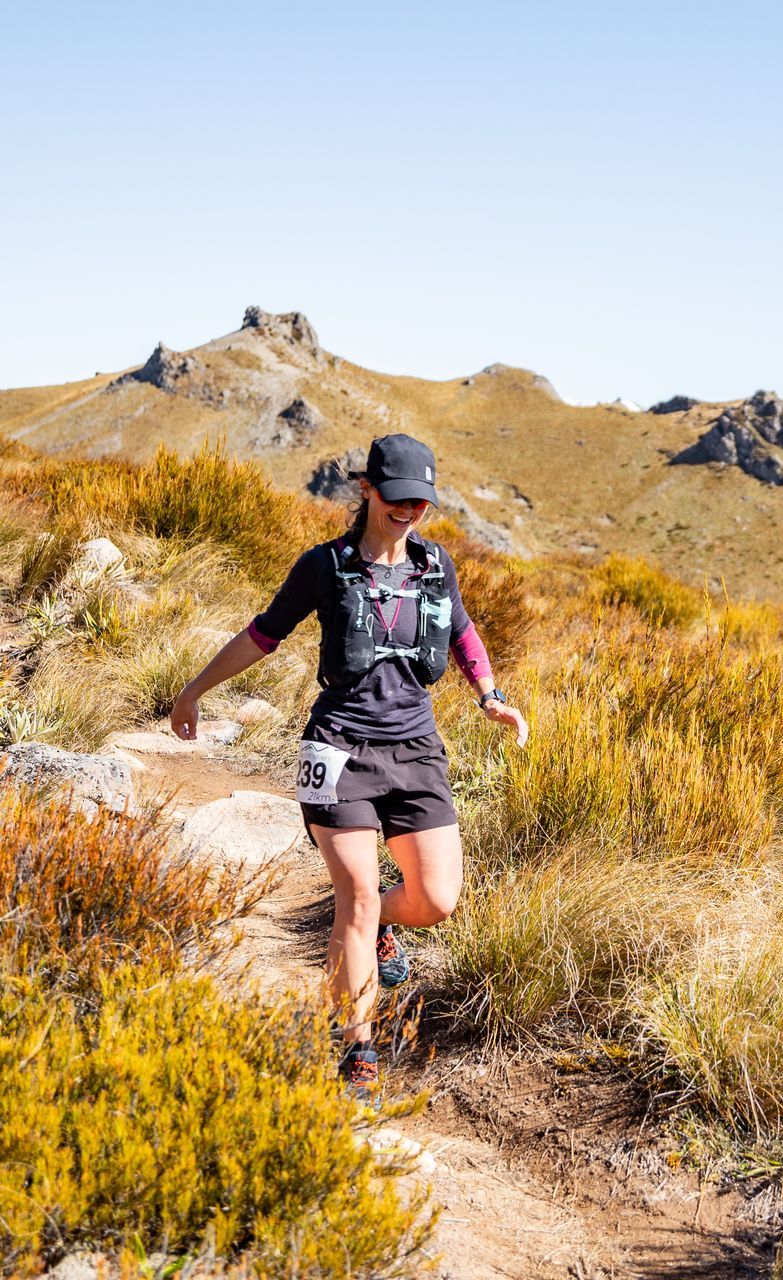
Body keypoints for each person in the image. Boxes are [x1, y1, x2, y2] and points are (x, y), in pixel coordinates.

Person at [170, 433, 529, 1087]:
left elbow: (462, 630)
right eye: (397, 498)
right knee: (358, 895)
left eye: (421, 501)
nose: (409, 510)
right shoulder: (324, 566)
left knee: (436, 900)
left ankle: (379, 929)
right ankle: (359, 1050)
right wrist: (195, 690)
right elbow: (263, 635)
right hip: (337, 748)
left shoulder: (434, 564)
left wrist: (490, 696)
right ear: (367, 489)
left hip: (417, 749)